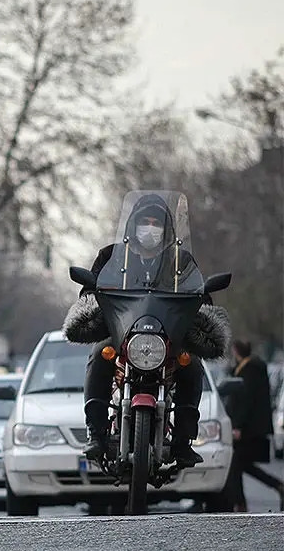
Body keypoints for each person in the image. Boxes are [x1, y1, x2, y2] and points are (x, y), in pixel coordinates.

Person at [63, 193, 228, 467]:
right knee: (100, 355)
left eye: (156, 223)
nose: (150, 228)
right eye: (145, 222)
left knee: (191, 364)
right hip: (122, 335)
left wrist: (202, 300)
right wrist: (92, 296)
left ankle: (183, 441)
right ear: (133, 225)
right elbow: (90, 292)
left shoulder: (181, 260)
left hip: (169, 337)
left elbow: (199, 296)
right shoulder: (111, 256)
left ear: (167, 229)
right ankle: (96, 434)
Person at [225, 340, 284, 511]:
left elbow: (246, 400)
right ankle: (242, 500)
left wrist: (238, 426)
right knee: (240, 464)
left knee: (236, 463)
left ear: (236, 351)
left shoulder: (249, 370)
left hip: (249, 428)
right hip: (251, 427)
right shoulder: (250, 368)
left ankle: (240, 502)